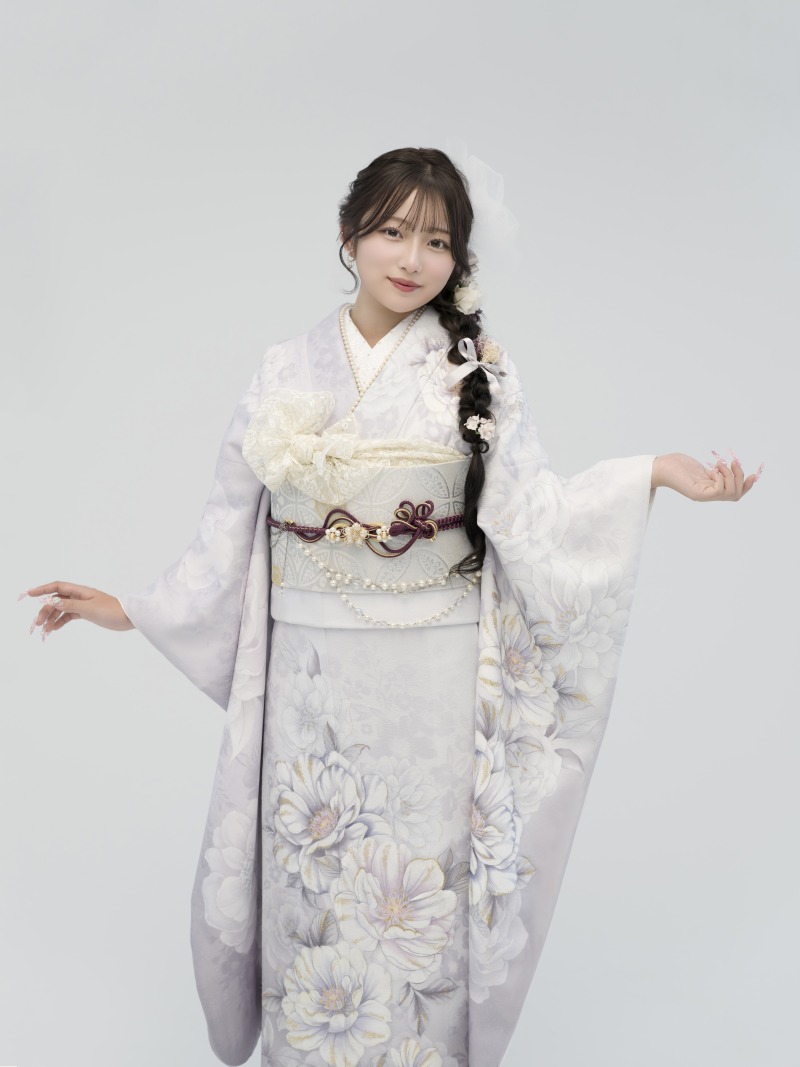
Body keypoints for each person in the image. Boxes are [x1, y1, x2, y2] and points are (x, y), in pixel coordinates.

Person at [21, 147, 760, 1067]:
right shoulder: (285, 370)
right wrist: (133, 608)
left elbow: (538, 519)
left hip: (432, 683)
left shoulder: (477, 374)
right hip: (312, 682)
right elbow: (227, 528)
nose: (413, 258)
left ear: (460, 258)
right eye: (393, 231)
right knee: (316, 880)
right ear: (349, 235)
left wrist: (649, 473)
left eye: (438, 241)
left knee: (416, 898)